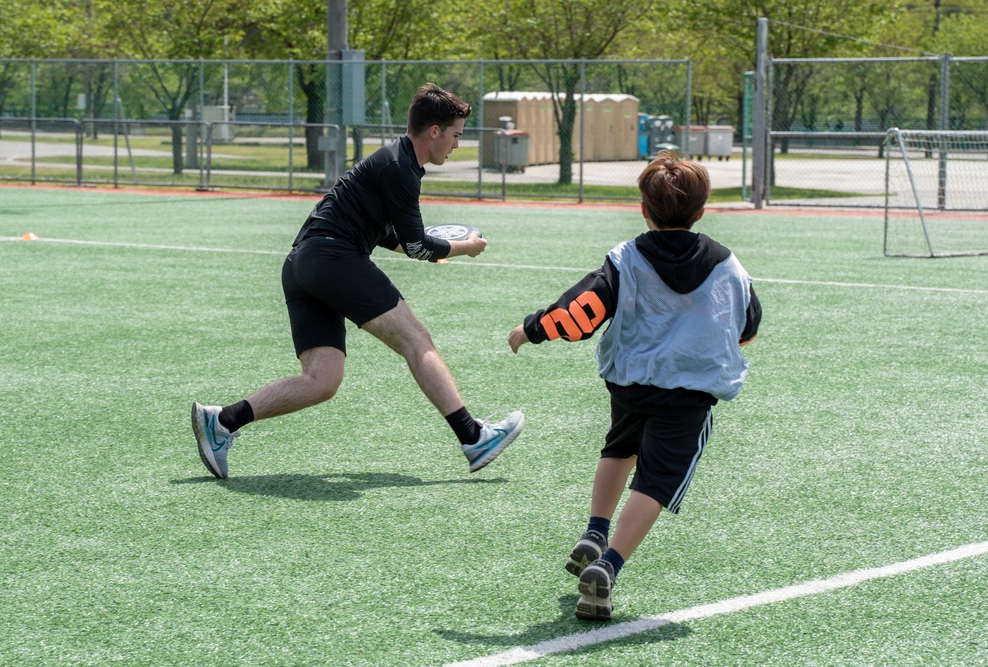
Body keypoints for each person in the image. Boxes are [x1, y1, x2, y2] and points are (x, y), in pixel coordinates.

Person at [193, 83, 524, 479]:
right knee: (417, 341)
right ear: (434, 131)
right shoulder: (401, 169)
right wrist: (462, 248)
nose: (457, 144)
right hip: (333, 258)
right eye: (456, 134)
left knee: (322, 380)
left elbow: (389, 236)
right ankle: (473, 436)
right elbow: (418, 245)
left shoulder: (393, 161)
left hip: (302, 263)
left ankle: (223, 422)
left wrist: (434, 249)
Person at [508, 150, 761, 621]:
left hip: (628, 382)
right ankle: (608, 565)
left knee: (619, 447)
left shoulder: (625, 258)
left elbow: (581, 311)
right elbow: (748, 322)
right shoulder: (729, 264)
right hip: (686, 394)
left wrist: (533, 328)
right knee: (657, 480)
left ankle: (595, 529)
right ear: (703, 211)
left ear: (643, 209)